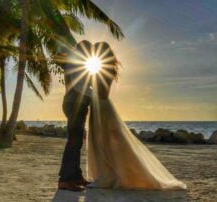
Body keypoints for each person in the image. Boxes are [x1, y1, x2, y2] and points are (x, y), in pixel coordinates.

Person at [86, 42, 187, 190]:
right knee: (103, 142)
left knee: (104, 142)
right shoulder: (106, 68)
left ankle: (107, 177)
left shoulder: (103, 68)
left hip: (101, 106)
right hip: (99, 106)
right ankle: (104, 175)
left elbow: (99, 89)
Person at [58, 40, 94, 192]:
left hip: (76, 104)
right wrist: (94, 96)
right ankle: (65, 180)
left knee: (77, 141)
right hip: (75, 104)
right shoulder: (75, 63)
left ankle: (75, 176)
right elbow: (80, 86)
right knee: (73, 142)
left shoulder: (77, 63)